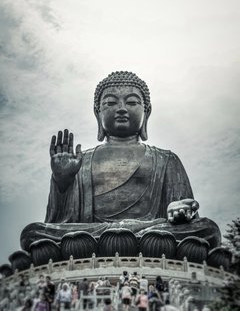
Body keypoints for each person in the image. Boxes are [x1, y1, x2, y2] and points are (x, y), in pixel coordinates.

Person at [21, 71, 221, 251]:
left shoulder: (166, 159)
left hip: (152, 232)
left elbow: (186, 213)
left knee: (207, 229)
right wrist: (62, 181)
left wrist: (179, 211)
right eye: (110, 103)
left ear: (147, 112)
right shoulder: (83, 161)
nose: (122, 109)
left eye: (132, 102)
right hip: (94, 233)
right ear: (97, 113)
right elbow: (60, 221)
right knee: (33, 233)